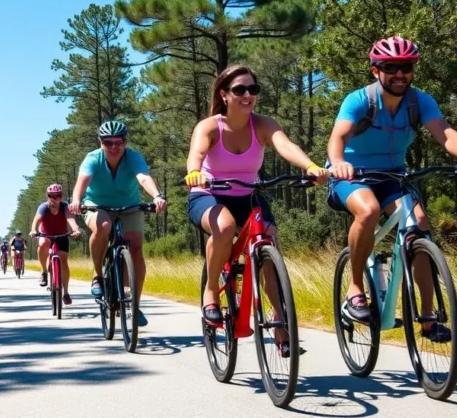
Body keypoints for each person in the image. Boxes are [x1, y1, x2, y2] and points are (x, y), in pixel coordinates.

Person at [326, 36, 457, 342]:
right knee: (369, 210)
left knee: (419, 226)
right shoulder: (359, 100)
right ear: (376, 70)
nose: (400, 74)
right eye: (391, 67)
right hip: (352, 174)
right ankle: (355, 290)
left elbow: (445, 132)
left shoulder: (419, 101)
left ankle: (428, 318)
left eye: (406, 67)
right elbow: (338, 136)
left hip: (393, 176)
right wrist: (337, 162)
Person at [185, 64, 329, 355]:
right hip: (209, 194)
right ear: (225, 94)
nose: (247, 94)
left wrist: (310, 166)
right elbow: (196, 153)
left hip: (249, 195)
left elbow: (285, 145)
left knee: (268, 242)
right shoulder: (210, 126)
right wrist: (194, 172)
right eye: (240, 89)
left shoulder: (263, 124)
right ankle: (211, 290)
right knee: (224, 227)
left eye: (253, 89)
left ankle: (279, 320)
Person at [70, 120, 166, 327]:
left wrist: (157, 195)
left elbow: (143, 177)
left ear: (125, 142)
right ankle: (98, 276)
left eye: (119, 142)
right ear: (101, 143)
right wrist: (76, 199)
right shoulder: (93, 158)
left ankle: (135, 303)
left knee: (136, 250)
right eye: (108, 143)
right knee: (103, 227)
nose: (114, 147)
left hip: (129, 206)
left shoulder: (133, 157)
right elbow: (82, 180)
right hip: (97, 205)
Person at [31, 183, 83, 304]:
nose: (54, 199)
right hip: (46, 235)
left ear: (61, 196)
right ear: (47, 196)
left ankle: (65, 292)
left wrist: (75, 229)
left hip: (62, 236)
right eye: (51, 196)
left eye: (58, 196)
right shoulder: (44, 207)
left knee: (64, 262)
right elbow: (36, 220)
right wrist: (33, 230)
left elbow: (71, 219)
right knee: (42, 244)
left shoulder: (65, 207)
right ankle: (44, 271)